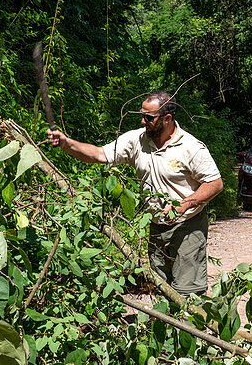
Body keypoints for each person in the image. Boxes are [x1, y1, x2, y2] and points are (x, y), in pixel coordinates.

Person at [47, 91, 224, 297]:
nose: (143, 121)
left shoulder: (191, 147)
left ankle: (188, 328)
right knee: (161, 289)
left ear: (167, 119)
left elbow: (215, 183)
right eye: (142, 115)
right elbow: (98, 154)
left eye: (149, 118)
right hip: (156, 226)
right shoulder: (137, 140)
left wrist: (183, 205)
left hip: (188, 226)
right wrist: (66, 143)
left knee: (187, 292)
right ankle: (164, 327)